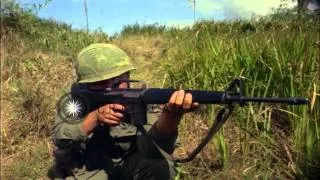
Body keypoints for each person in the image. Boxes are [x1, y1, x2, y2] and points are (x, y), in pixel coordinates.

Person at [51, 43, 198, 179]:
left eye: (117, 80)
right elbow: (61, 137)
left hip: (128, 163)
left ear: (128, 76)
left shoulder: (141, 98)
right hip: (88, 168)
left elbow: (154, 151)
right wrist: (95, 117)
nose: (110, 87)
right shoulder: (76, 99)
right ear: (86, 85)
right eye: (100, 83)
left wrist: (171, 116)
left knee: (160, 166)